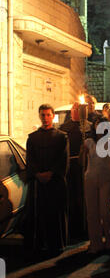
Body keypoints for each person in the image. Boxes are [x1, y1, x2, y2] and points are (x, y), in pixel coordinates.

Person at [24, 104, 69, 261]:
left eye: (48, 115)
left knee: (55, 213)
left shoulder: (61, 137)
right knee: (39, 214)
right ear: (39, 116)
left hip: (55, 182)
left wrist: (51, 173)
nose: (45, 118)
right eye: (42, 115)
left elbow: (63, 159)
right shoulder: (32, 138)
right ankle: (40, 245)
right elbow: (30, 159)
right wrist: (37, 174)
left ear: (53, 116)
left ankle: (57, 245)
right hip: (39, 184)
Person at [81, 117, 110, 254]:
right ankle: (95, 242)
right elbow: (81, 162)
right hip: (90, 178)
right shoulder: (89, 142)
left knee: (105, 211)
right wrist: (82, 150)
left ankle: (109, 239)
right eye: (97, 125)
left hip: (106, 178)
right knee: (92, 212)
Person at [59, 102, 93, 241]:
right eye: (74, 109)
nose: (76, 111)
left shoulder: (89, 127)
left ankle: (86, 227)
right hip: (70, 167)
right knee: (72, 198)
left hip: (85, 166)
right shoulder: (64, 128)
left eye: (78, 109)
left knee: (84, 197)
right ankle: (73, 228)